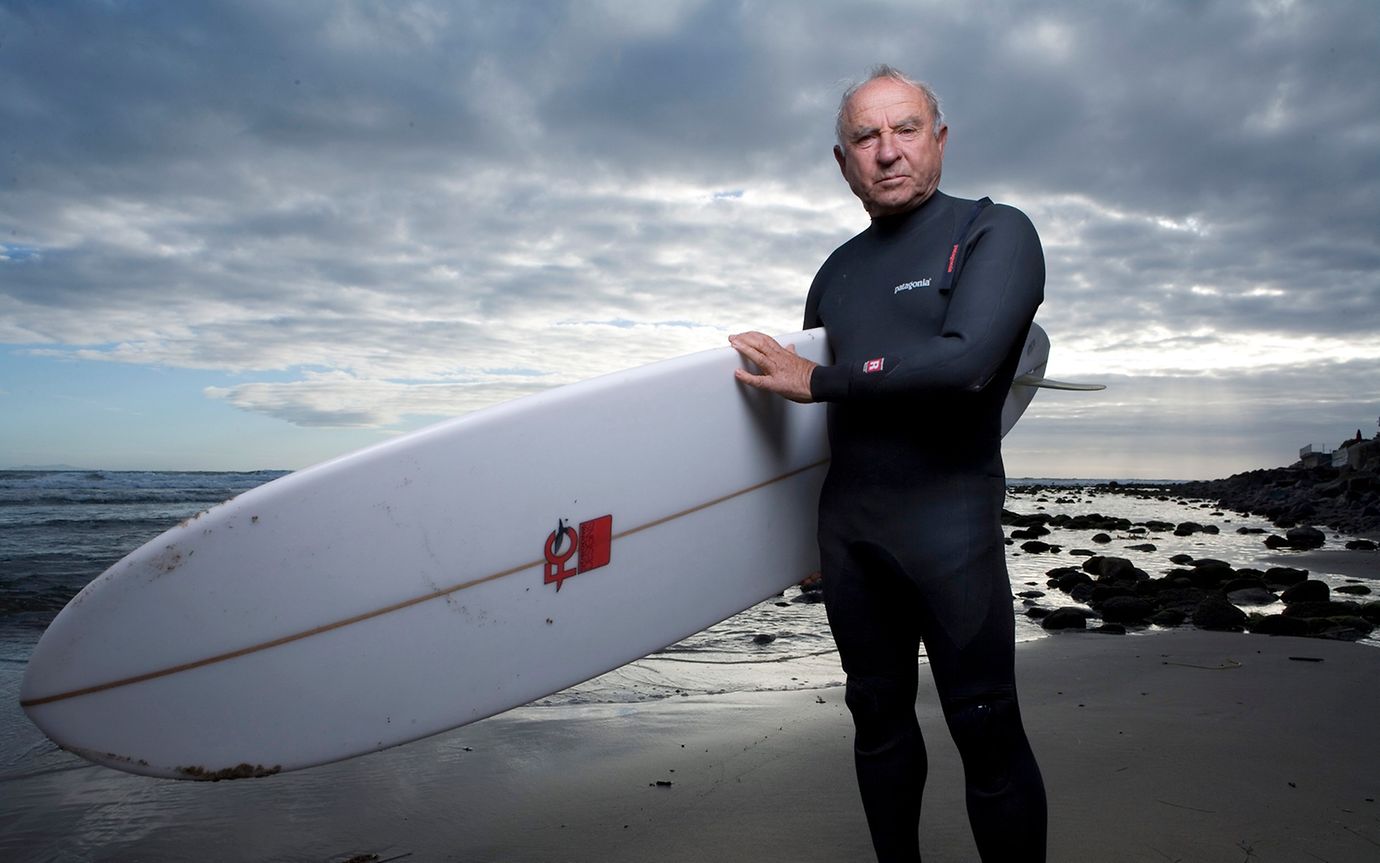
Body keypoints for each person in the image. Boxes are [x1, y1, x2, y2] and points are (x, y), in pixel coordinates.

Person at [729, 65, 1048, 862]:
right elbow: (815, 430)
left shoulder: (994, 231)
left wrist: (819, 380)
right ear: (842, 162)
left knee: (983, 723)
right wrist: (795, 547)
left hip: (950, 527)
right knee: (875, 716)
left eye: (906, 129)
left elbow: (968, 363)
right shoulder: (834, 273)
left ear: (939, 140)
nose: (887, 151)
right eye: (865, 137)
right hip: (850, 535)